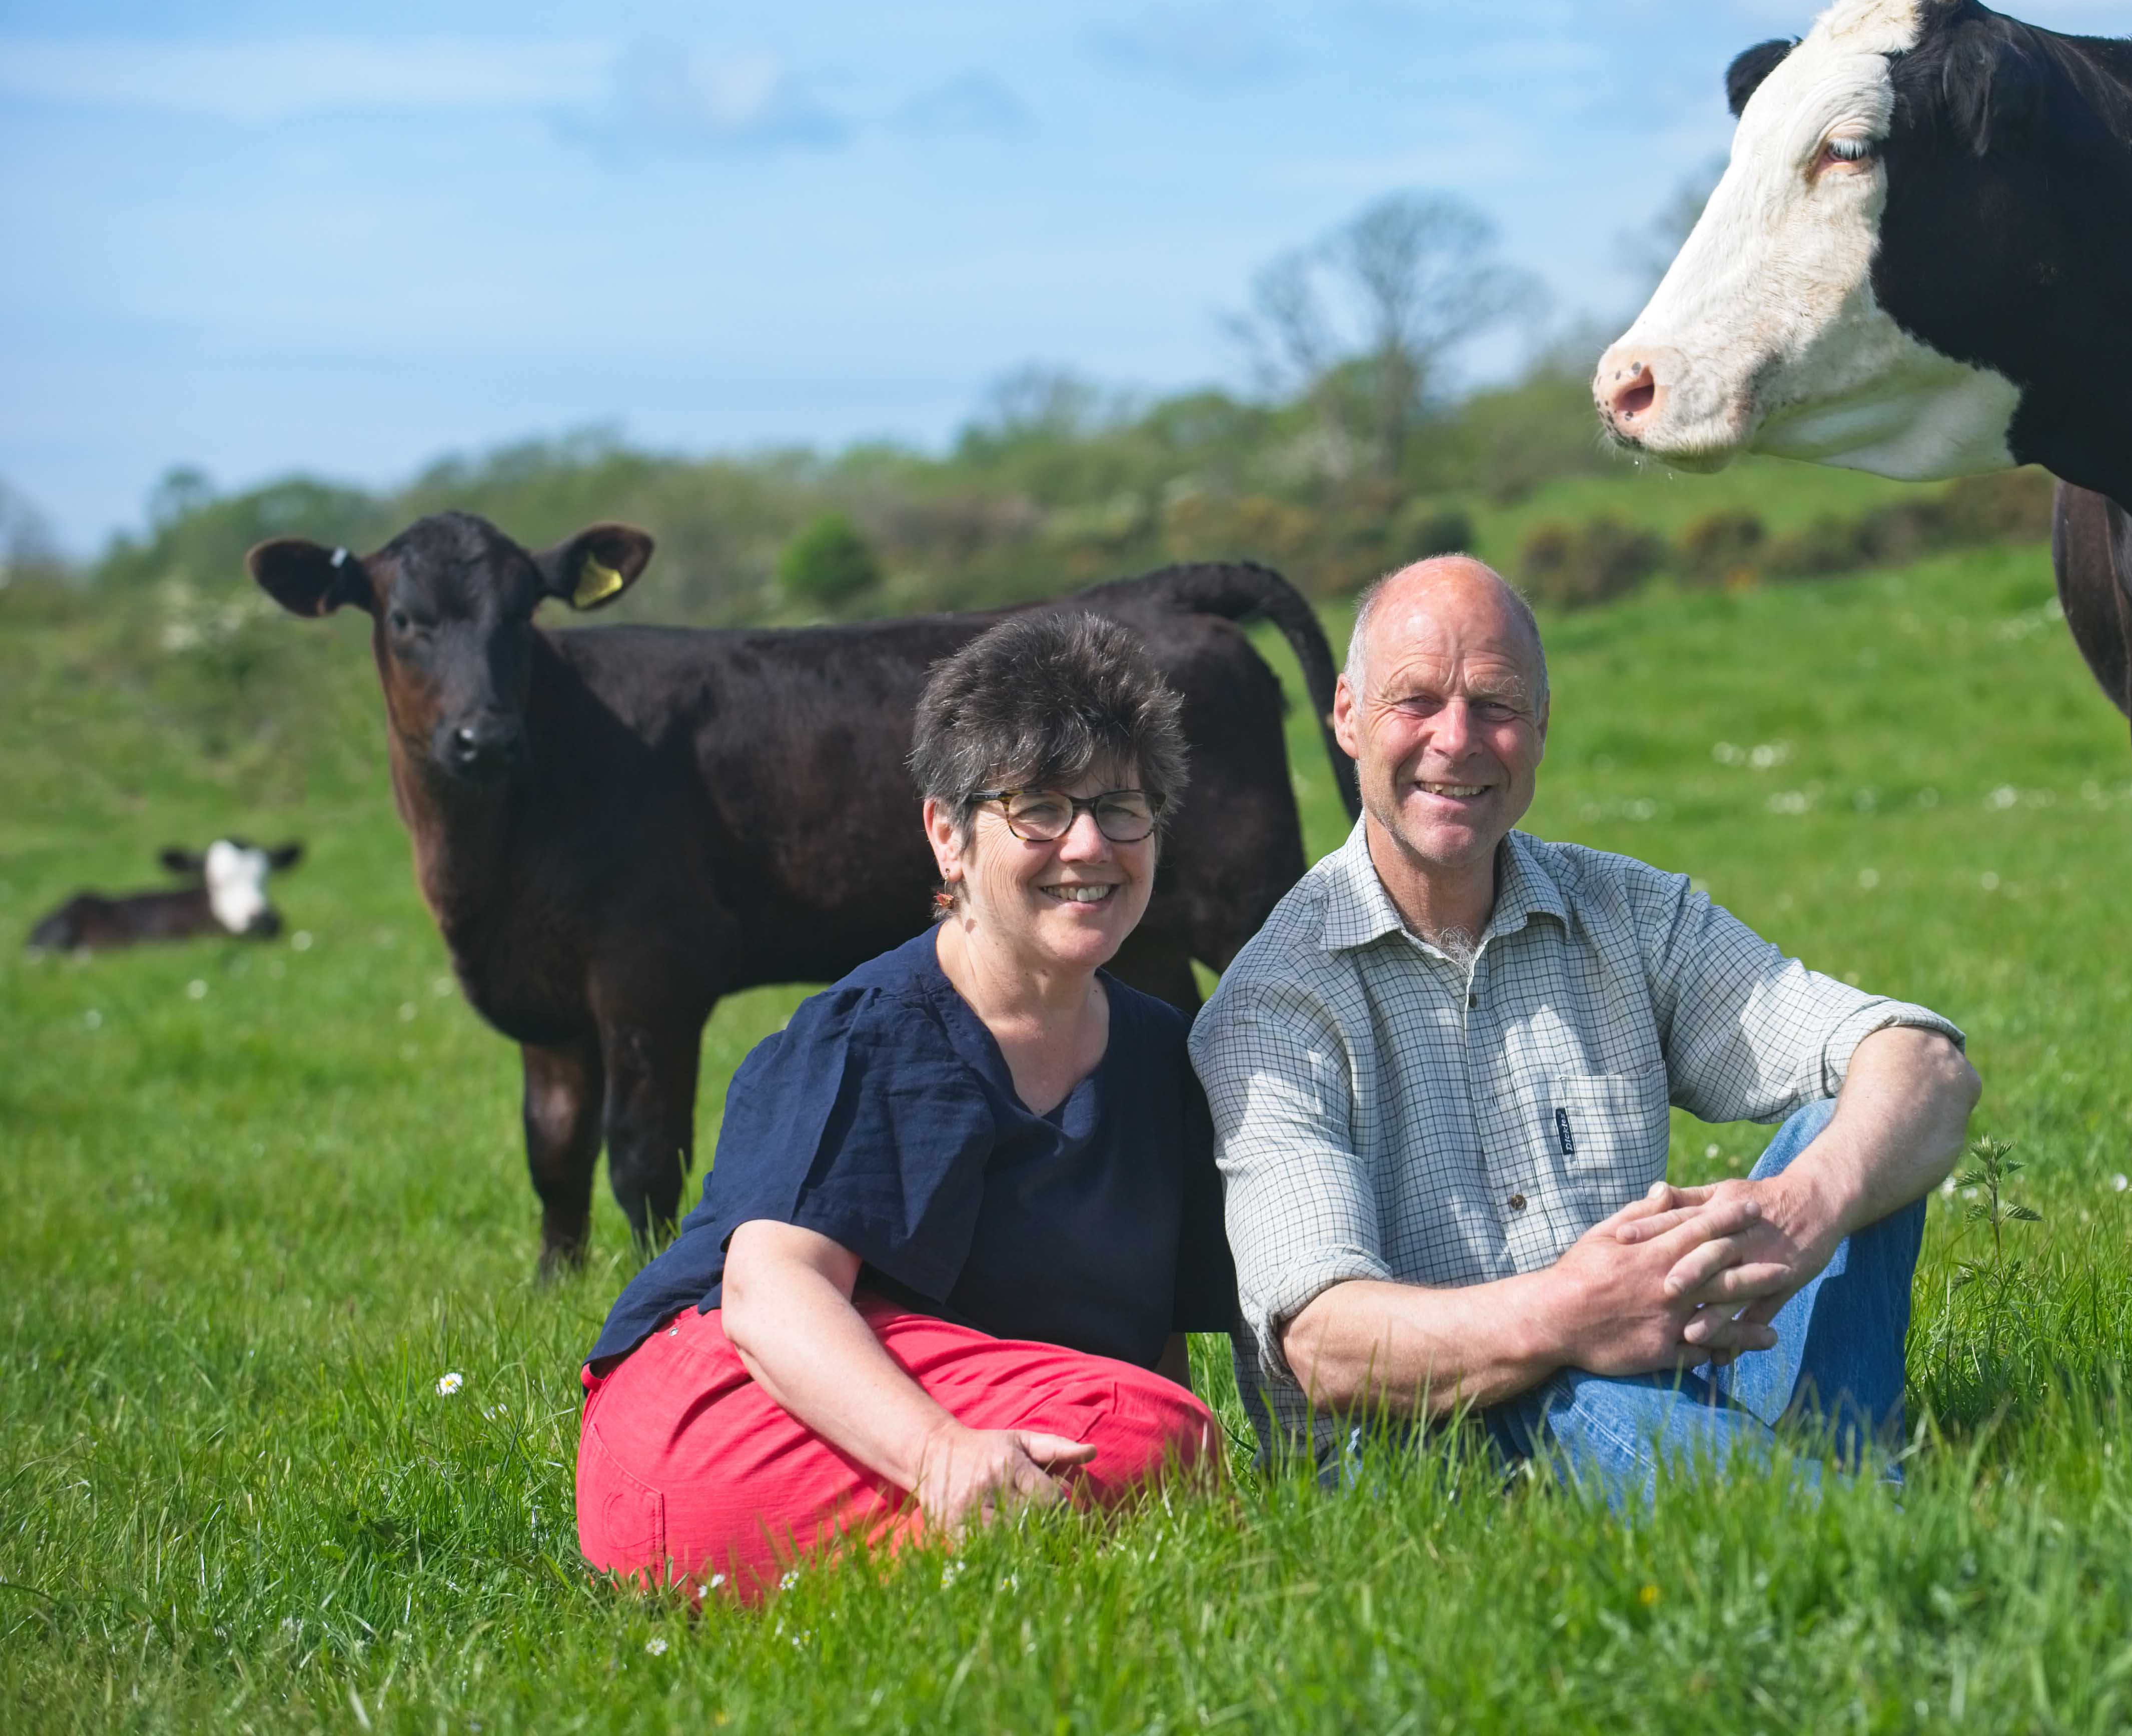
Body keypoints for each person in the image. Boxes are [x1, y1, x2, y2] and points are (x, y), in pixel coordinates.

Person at [1190, 555, 1980, 1496]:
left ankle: (1814, 1482)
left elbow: (1927, 1063)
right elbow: (1324, 1345)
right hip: (1417, 1451)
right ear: (1348, 717)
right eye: (1416, 702)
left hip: (1649, 1372)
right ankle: (1860, 1526)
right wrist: (1569, 1316)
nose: (1459, 739)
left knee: (1845, 1128)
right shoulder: (1273, 1004)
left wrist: (1805, 1205)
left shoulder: (1628, 913)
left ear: (1542, 727)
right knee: (1557, 1390)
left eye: (1496, 704)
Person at [573, 610, 1235, 1597]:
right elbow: (771, 1292)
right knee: (1152, 1441)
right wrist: (939, 1456)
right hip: (722, 1396)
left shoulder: (1156, 1054)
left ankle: (982, 1564)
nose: (1088, 844)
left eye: (1120, 806)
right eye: (1040, 808)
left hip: (931, 1395)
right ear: (946, 834)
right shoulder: (874, 1031)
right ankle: (969, 1535)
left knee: (1149, 1435)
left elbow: (1143, 1346)